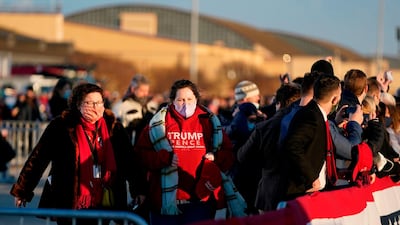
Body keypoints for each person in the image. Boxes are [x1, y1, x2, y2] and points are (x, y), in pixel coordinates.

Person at [10, 83, 146, 225]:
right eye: (90, 103)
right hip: (69, 199)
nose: (96, 107)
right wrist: (23, 190)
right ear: (78, 104)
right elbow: (38, 158)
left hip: (104, 197)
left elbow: (129, 160)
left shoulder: (113, 127)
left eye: (99, 102)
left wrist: (139, 189)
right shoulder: (62, 126)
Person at [134, 79, 238, 225]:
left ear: (196, 99)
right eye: (180, 99)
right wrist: (163, 158)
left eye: (189, 99)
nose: (185, 103)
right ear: (172, 101)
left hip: (200, 202)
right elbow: (139, 156)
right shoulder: (158, 123)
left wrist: (216, 157)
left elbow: (229, 154)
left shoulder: (209, 121)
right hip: (165, 203)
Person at [236, 82, 301, 213]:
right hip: (298, 193)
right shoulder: (306, 124)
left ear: (278, 103)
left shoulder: (263, 127)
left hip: (269, 194)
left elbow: (242, 156)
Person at [282, 74, 342, 200]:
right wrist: (311, 177)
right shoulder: (310, 116)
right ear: (335, 99)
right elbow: (292, 146)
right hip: (303, 191)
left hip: (317, 190)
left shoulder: (318, 115)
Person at [113, 74, 153, 145]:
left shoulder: (151, 106)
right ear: (133, 89)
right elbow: (114, 130)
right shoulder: (121, 106)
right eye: (142, 90)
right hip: (128, 147)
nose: (145, 94)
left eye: (147, 91)